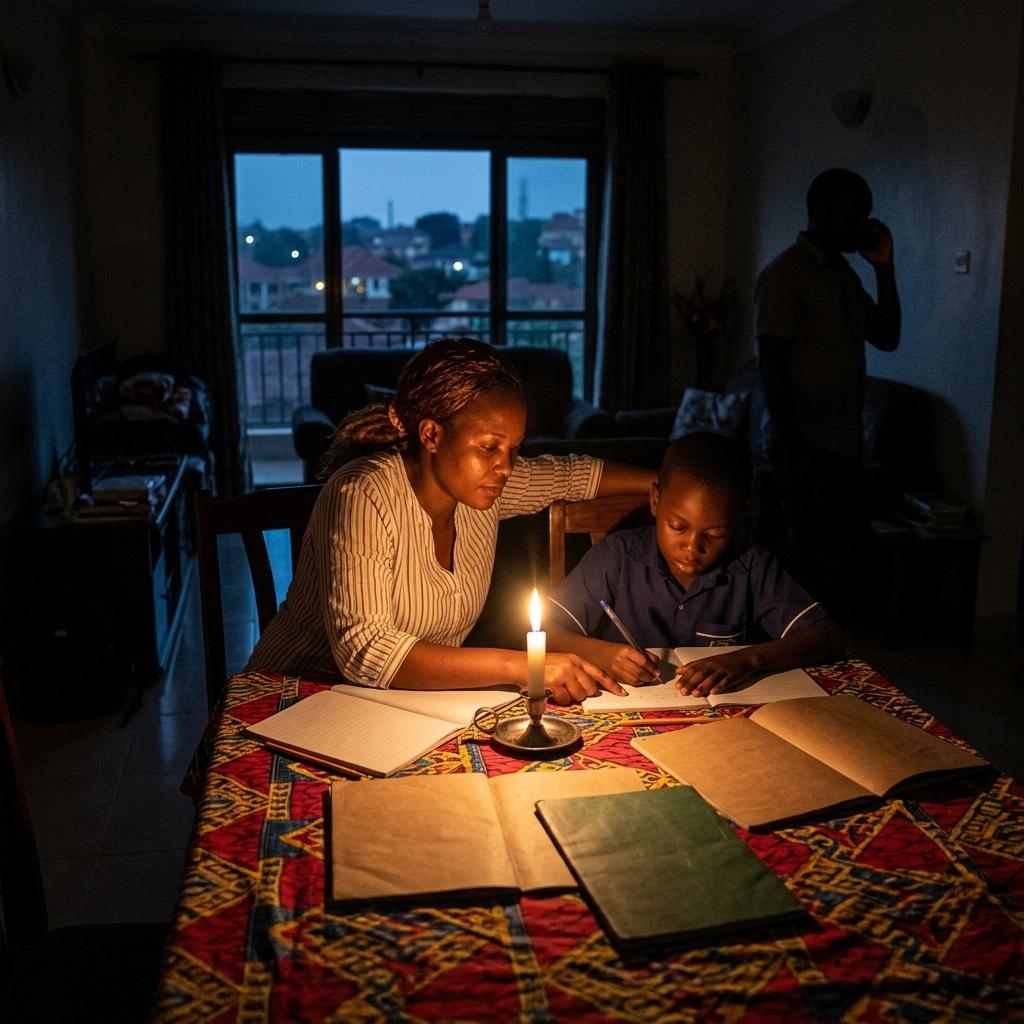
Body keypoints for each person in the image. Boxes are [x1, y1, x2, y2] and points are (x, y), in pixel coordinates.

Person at [245, 337, 656, 705]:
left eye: (514, 448)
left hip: (399, 708)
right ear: (431, 436)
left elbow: (573, 475)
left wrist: (666, 488)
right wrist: (524, 665)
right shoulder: (364, 494)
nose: (507, 467)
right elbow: (366, 650)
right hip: (295, 699)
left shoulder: (485, 487)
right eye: (490, 446)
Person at [545, 431, 845, 697]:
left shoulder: (751, 565)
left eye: (715, 534)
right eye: (678, 527)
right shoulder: (617, 556)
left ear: (738, 521)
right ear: (655, 501)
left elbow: (826, 636)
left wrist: (746, 659)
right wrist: (601, 654)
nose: (692, 547)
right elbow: (544, 631)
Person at [755, 167, 900, 617]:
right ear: (821, 212)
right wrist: (795, 451)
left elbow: (888, 335)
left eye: (867, 214)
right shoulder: (787, 274)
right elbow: (772, 369)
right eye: (855, 212)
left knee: (836, 568)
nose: (863, 223)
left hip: (842, 444)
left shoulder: (843, 275)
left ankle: (831, 664)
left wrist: (885, 269)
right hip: (803, 444)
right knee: (802, 565)